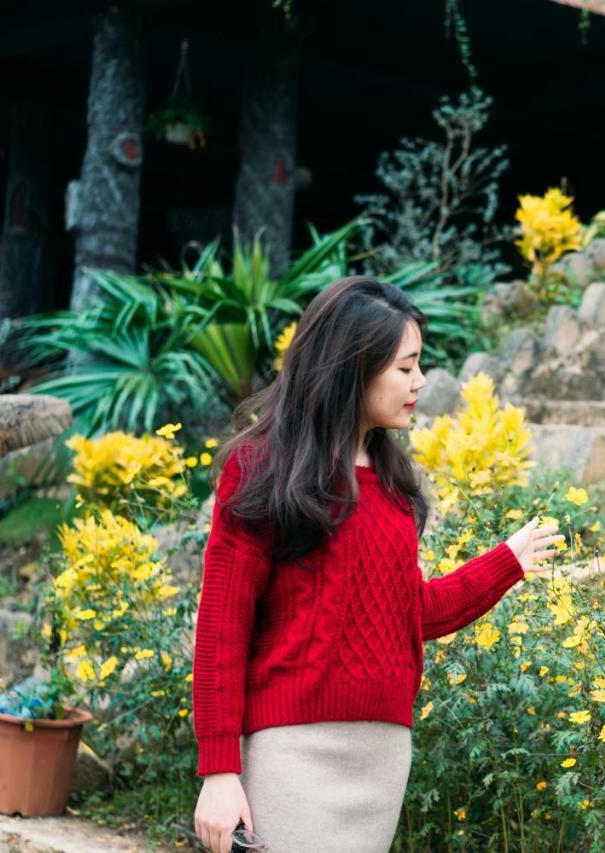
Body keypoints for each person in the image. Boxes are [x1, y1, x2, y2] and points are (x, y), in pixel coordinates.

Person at [191, 276, 563, 853]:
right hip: (291, 756)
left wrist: (506, 562)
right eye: (405, 367)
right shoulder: (262, 468)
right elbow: (221, 629)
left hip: (383, 759)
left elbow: (407, 613)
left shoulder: (393, 484)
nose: (420, 383)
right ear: (351, 368)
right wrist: (219, 771)